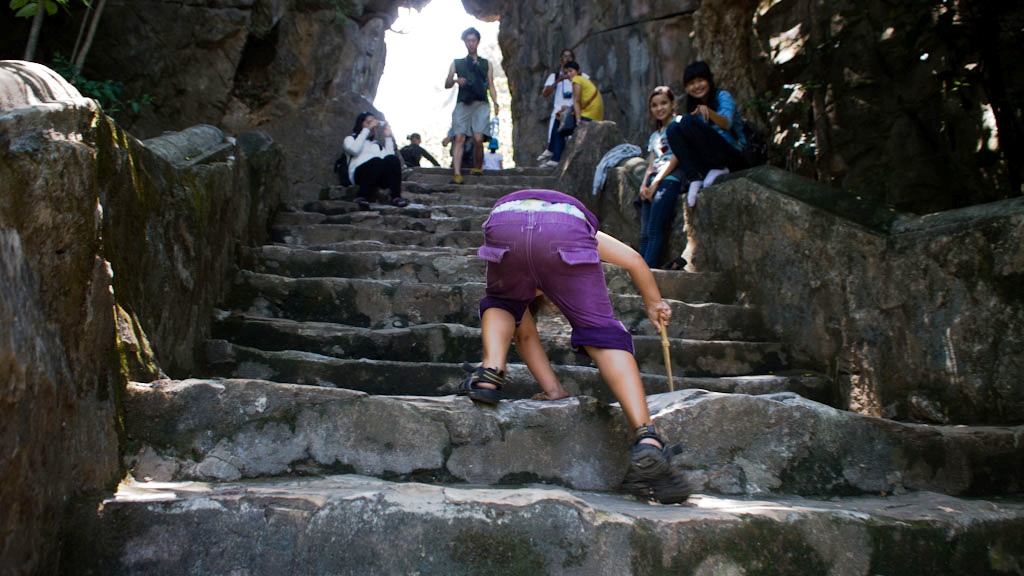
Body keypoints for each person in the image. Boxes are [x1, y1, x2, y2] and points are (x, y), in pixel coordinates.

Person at [458, 189, 691, 505]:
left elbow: (524, 337)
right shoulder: (570, 216)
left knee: (502, 302)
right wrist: (654, 303)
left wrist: (553, 391)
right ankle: (647, 435)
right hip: (564, 227)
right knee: (603, 334)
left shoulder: (520, 277)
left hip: (505, 222)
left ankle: (490, 371)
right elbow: (635, 260)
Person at [651, 61, 747, 208]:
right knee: (673, 128)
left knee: (686, 121)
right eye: (691, 83)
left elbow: (726, 123)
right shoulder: (693, 108)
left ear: (709, 80)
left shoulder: (723, 97)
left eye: (700, 81)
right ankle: (694, 177)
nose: (696, 86)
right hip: (709, 158)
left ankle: (721, 168)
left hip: (733, 154)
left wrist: (709, 112)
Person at [444, 27, 499, 184]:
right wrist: (455, 81)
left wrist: (495, 101)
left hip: (481, 103)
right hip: (463, 103)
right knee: (459, 136)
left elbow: (491, 84)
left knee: (478, 138)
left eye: (473, 40)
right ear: (464, 42)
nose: (470, 43)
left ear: (477, 42)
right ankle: (457, 173)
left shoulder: (485, 64)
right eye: (468, 40)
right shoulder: (457, 63)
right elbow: (447, 83)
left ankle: (477, 167)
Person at [637, 86, 684, 268]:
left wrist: (656, 182)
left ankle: (647, 271)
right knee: (644, 232)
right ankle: (638, 270)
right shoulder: (655, 135)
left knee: (655, 228)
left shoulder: (678, 125)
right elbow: (651, 163)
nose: (659, 108)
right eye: (654, 105)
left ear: (673, 104)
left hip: (669, 180)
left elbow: (676, 157)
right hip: (653, 180)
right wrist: (644, 185)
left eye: (664, 103)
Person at [343, 112, 409, 210]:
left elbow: (390, 160)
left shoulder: (376, 145)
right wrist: (366, 130)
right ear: (360, 124)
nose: (372, 125)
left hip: (378, 175)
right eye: (368, 122)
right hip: (360, 175)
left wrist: (388, 138)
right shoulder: (350, 139)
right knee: (376, 161)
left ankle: (396, 196)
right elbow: (354, 151)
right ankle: (361, 196)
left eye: (373, 123)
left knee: (392, 159)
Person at [537, 49, 587, 167]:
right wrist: (559, 80)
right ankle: (554, 160)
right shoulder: (554, 76)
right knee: (555, 137)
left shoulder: (582, 76)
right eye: (565, 56)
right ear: (560, 61)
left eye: (570, 56)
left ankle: (565, 164)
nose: (567, 59)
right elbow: (545, 93)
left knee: (572, 140)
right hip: (558, 112)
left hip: (574, 112)